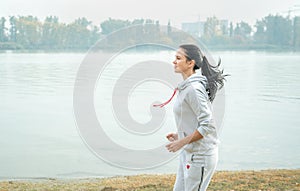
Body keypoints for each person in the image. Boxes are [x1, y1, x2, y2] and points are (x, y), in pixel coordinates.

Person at [164, 44, 226, 191]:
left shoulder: (194, 89)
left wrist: (181, 142)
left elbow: (208, 125)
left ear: (190, 63)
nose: (174, 61)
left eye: (178, 58)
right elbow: (195, 120)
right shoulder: (187, 87)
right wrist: (180, 135)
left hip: (200, 157)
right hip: (189, 153)